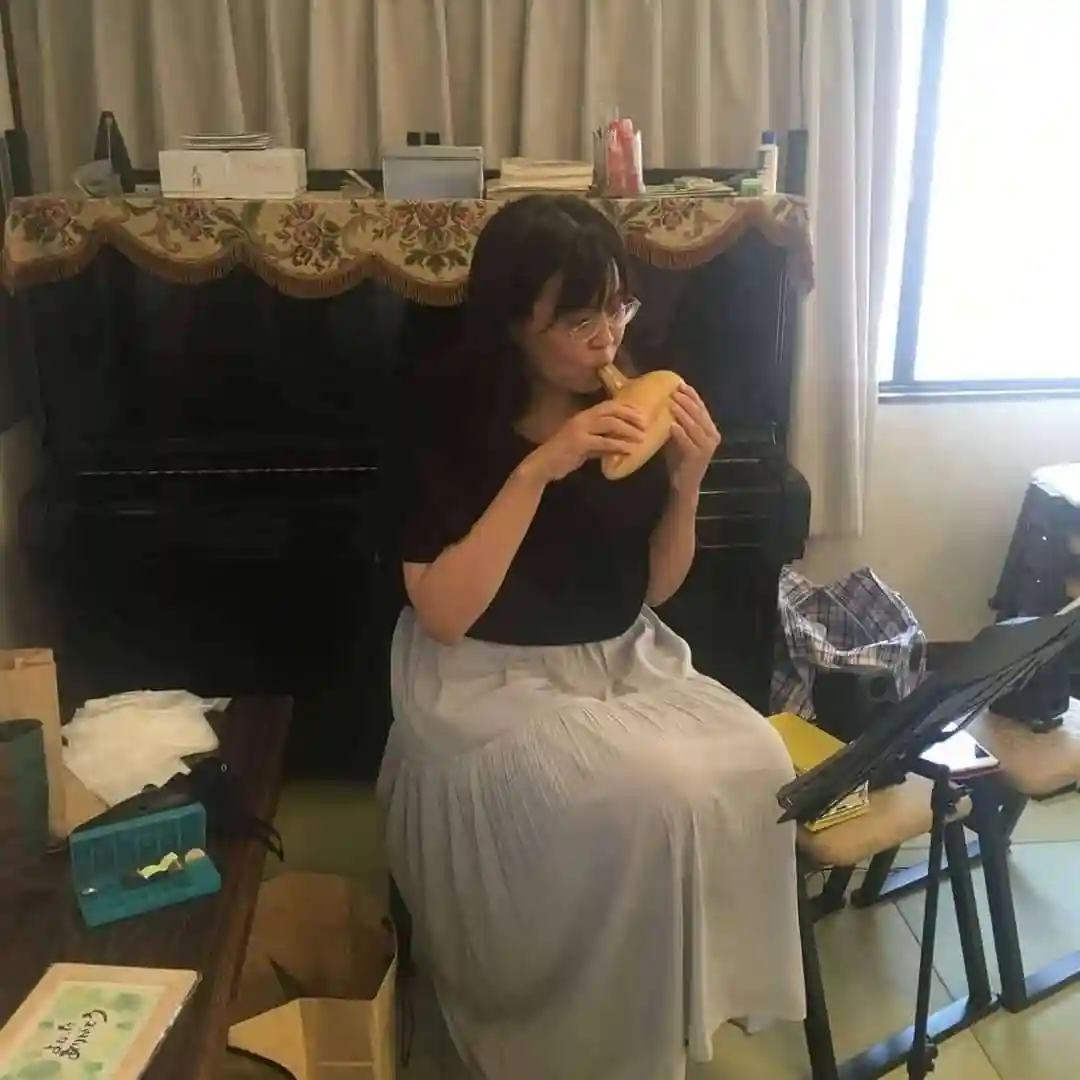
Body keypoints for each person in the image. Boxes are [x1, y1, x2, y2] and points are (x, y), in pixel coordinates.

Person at [377, 194, 804, 1080]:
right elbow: (445, 614)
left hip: (619, 656)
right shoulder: (442, 419)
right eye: (578, 320)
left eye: (618, 307)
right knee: (651, 793)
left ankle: (680, 1000)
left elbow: (650, 589)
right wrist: (541, 468)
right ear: (511, 321)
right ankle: (576, 1025)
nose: (607, 337)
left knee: (760, 760)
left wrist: (687, 482)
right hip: (485, 677)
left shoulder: (631, 397)